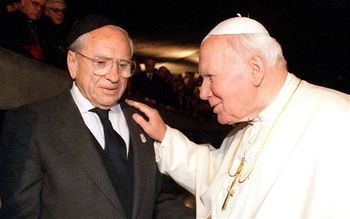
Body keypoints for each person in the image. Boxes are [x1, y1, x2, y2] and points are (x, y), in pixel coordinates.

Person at [126, 16, 350, 218]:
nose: (203, 92)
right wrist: (165, 136)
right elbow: (217, 178)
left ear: (255, 69)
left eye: (211, 77)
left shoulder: (337, 120)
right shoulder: (246, 127)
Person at [0, 15, 194, 218]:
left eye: (122, 65)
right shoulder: (31, 123)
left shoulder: (143, 122)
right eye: (101, 62)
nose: (114, 76)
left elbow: (155, 200)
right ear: (73, 62)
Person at [39, 0, 69, 69]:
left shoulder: (63, 31)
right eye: (56, 10)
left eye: (62, 10)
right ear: (46, 11)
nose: (60, 13)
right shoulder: (42, 29)